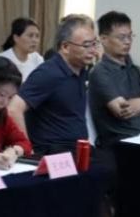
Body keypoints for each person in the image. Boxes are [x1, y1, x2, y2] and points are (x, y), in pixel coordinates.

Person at [10, 14, 96, 156]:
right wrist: (27, 149)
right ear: (65, 47)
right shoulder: (48, 73)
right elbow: (14, 109)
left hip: (77, 147)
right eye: (86, 45)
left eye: (94, 44)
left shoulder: (81, 70)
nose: (93, 50)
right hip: (54, 152)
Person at [88, 11, 140, 149]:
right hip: (123, 142)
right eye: (122, 37)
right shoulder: (100, 72)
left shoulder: (135, 70)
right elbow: (123, 111)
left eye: (130, 36)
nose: (128, 41)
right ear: (104, 39)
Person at [0, 18, 45, 82]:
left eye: (37, 36)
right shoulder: (4, 60)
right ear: (16, 38)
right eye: (30, 36)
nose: (35, 40)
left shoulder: (37, 58)